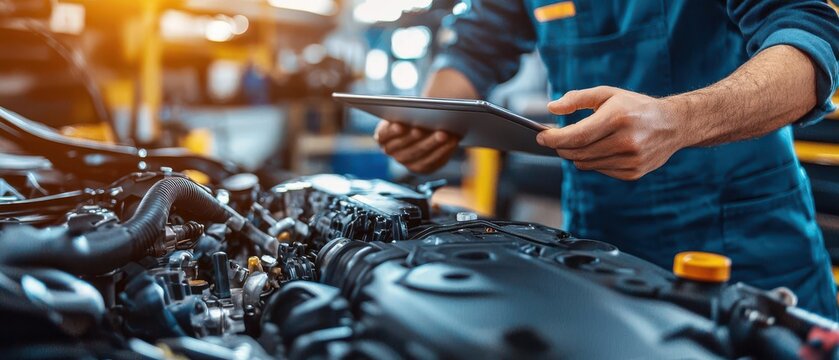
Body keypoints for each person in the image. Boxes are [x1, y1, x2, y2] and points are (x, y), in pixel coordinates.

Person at [374, 0, 839, 318]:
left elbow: (809, 43)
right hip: (596, 242)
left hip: (747, 247)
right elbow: (474, 47)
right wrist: (429, 117)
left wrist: (678, 120)